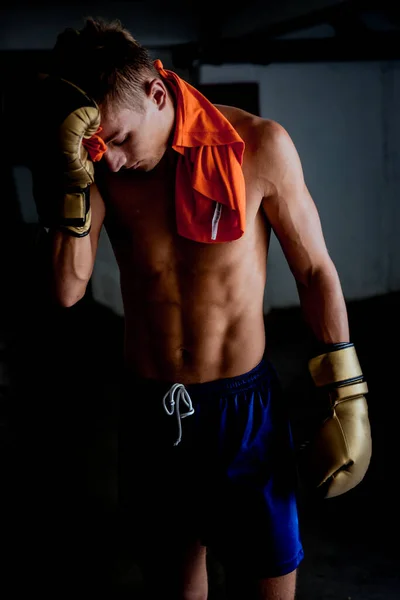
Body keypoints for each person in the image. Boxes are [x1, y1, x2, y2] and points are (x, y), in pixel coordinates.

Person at [30, 16, 372, 600]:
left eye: (117, 139)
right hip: (150, 411)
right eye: (95, 145)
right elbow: (67, 289)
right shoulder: (99, 170)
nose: (108, 159)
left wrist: (348, 391)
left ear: (157, 94)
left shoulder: (261, 146)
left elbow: (314, 269)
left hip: (244, 415)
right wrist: (70, 182)